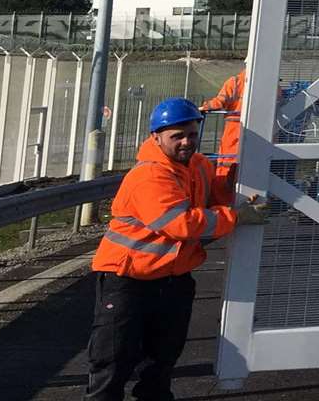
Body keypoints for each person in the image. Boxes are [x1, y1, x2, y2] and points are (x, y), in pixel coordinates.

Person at [86, 98, 268, 401]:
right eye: (177, 136)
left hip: (173, 280)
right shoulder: (150, 175)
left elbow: (213, 198)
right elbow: (179, 224)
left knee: (161, 361)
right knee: (113, 362)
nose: (186, 142)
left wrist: (237, 187)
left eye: (192, 134)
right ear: (156, 137)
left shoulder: (197, 166)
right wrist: (235, 216)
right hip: (127, 280)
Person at [199, 67, 246, 188]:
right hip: (262, 134)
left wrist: (204, 107)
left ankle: (224, 198)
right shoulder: (269, 84)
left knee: (227, 164)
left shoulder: (235, 82)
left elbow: (219, 102)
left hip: (234, 131)